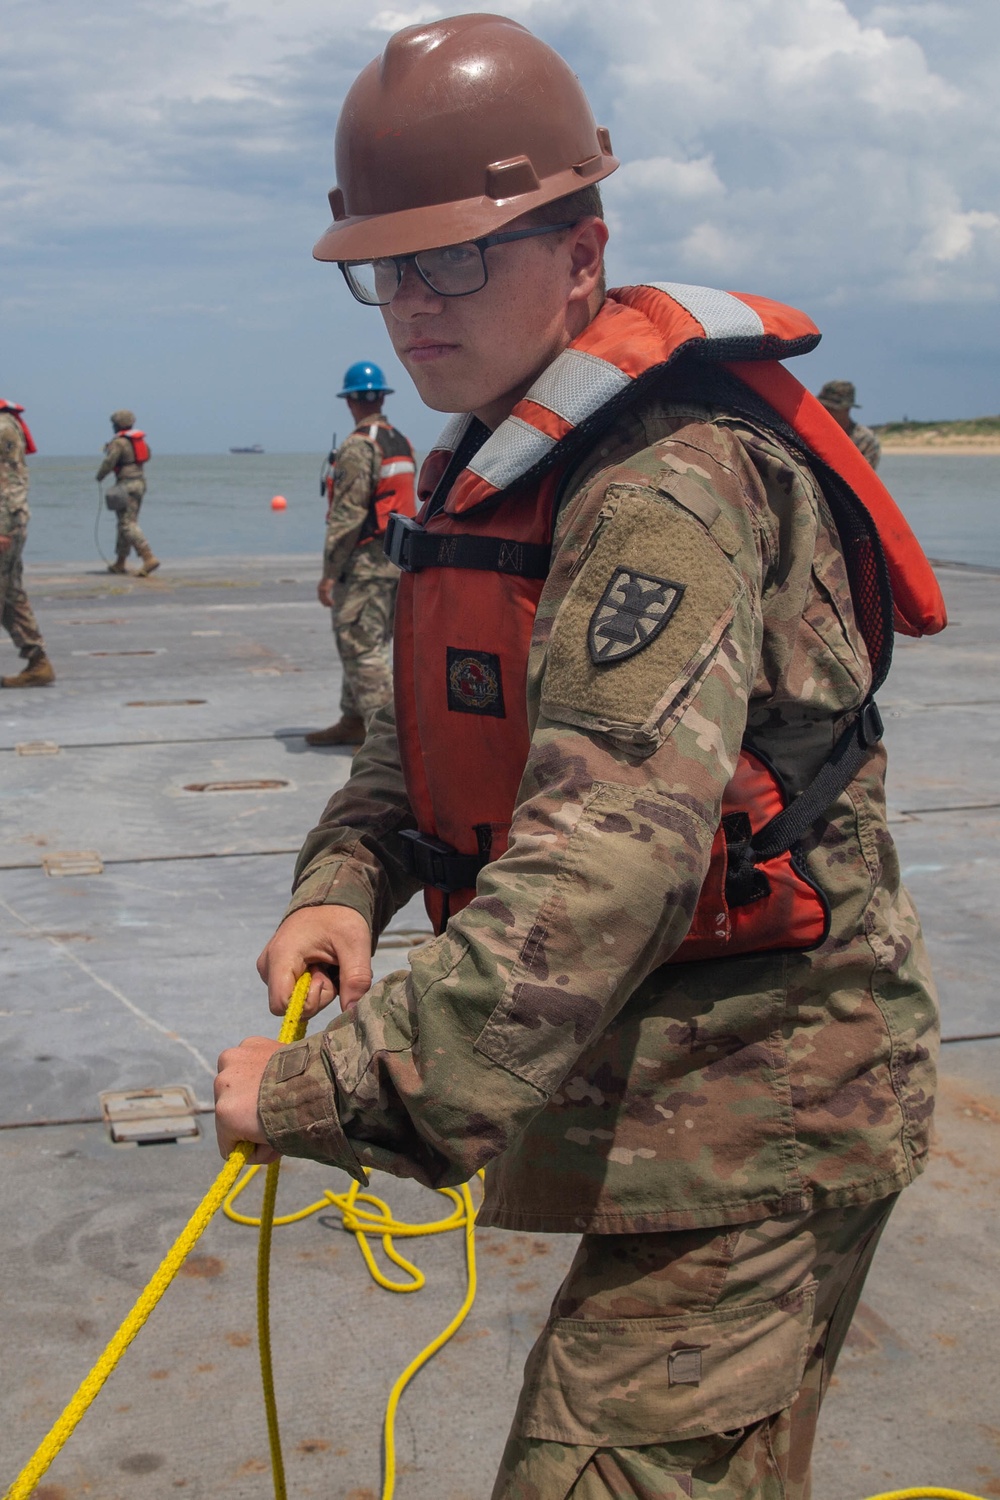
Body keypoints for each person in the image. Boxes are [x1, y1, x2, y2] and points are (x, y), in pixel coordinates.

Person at [215, 16, 946, 1498]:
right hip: (663, 1097)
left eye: (460, 256)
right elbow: (436, 739)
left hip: (764, 1104)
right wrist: (347, 876)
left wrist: (329, 1093)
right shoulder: (509, 462)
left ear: (585, 249)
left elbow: (608, 857)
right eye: (387, 264)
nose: (415, 301)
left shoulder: (664, 487)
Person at [305, 362, 416, 747]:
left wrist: (329, 574)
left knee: (360, 646)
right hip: (394, 560)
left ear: (350, 401)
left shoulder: (358, 445)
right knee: (367, 639)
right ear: (382, 396)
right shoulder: (398, 440)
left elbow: (348, 516)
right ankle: (353, 719)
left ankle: (390, 746)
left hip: (365, 563)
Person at [0, 398, 55, 689]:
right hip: (9, 522)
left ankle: (38, 661)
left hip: (5, 523)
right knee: (11, 595)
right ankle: (37, 662)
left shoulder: (1, 427)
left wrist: (3, 528)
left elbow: (8, 482)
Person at [96, 409, 159, 576]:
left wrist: (100, 476)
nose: (113, 427)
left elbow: (110, 462)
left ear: (118, 425)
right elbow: (148, 455)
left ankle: (148, 557)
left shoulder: (119, 442)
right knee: (125, 522)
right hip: (140, 483)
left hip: (126, 485)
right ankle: (120, 562)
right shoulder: (139, 441)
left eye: (113, 424)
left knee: (127, 524)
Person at [816, 380, 882, 469]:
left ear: (847, 409)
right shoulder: (811, 433)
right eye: (822, 408)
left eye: (832, 409)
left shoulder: (865, 440)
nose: (826, 413)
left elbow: (863, 476)